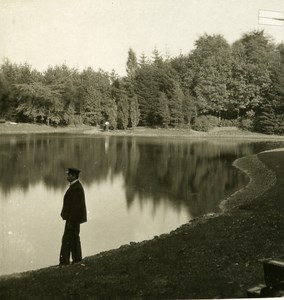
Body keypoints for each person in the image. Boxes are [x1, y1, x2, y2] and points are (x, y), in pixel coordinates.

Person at [59, 167, 87, 265]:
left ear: (74, 176)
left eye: (69, 175)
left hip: (73, 219)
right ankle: (77, 259)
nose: (67, 176)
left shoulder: (77, 188)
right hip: (73, 219)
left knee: (67, 239)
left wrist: (70, 221)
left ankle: (64, 262)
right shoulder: (75, 186)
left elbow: (76, 208)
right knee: (74, 238)